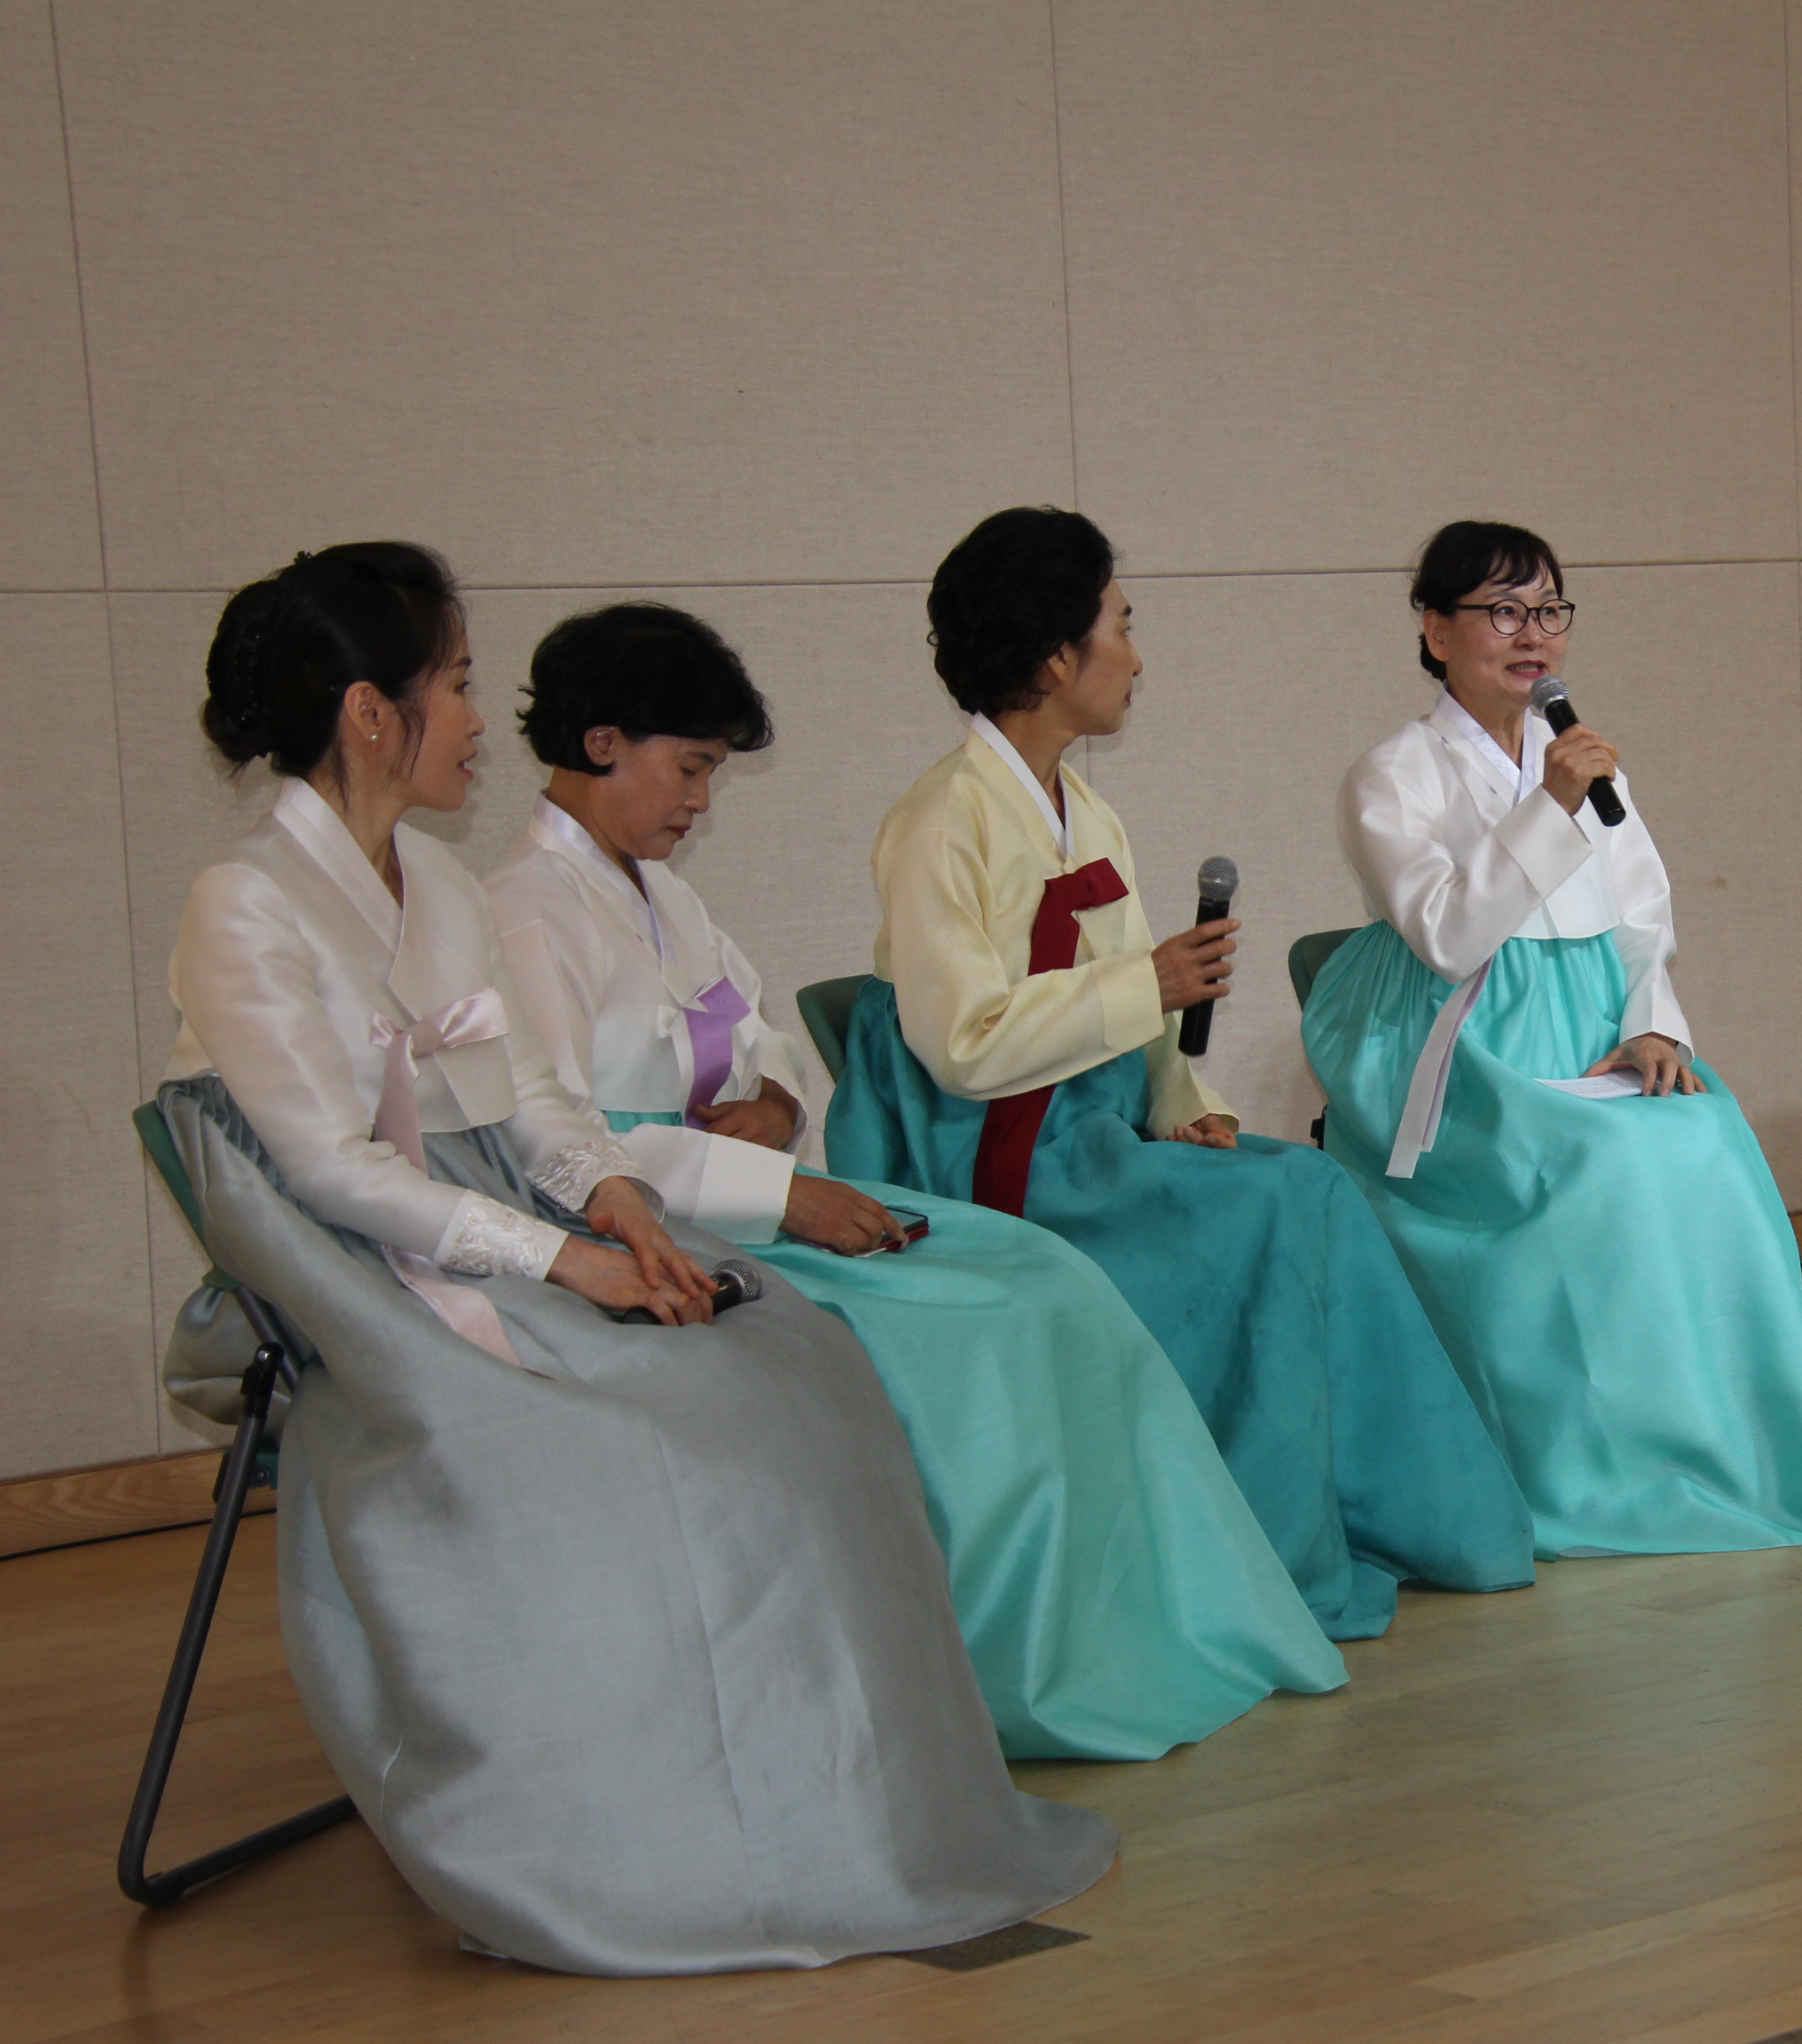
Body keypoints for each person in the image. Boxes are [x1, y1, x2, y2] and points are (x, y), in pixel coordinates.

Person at [158, 543, 1111, 1974]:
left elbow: (533, 1098)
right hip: (357, 1269)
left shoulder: (437, 881)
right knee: (652, 1427)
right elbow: (329, 1170)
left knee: (792, 1358)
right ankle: (634, 1832)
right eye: (456, 684)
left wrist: (617, 1200)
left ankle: (844, 1808)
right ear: (368, 712)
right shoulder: (244, 898)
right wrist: (561, 1259)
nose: (478, 720)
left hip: (487, 1217)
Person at [484, 600, 1346, 1760]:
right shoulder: (524, 912)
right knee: (977, 1324)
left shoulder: (660, 893)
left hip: (731, 1190)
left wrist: (778, 1101)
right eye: (689, 769)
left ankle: (1129, 1623)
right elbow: (561, 1148)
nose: (701, 802)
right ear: (602, 744)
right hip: (647, 1232)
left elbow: (763, 1035)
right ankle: (1010, 1664)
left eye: (712, 775)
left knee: (1042, 1271)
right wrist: (782, 1193)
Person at [825, 507, 1537, 1640]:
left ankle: (1388, 1520)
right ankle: (1267, 1549)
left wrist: (1184, 1104)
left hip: (1090, 1129)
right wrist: (1146, 985)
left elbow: (1142, 1019)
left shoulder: (1088, 811)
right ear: (1055, 657)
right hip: (994, 1151)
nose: (1137, 657)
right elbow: (961, 1045)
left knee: (1310, 1188)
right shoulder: (938, 821)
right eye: (1120, 626)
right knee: (1275, 1205)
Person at [1300, 520, 1802, 1555]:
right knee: (1603, 1166)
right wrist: (1549, 805)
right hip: (1462, 1042)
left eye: (1549, 609)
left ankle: (1722, 1447)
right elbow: (1450, 938)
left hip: (1591, 1020)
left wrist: (1650, 1026)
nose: (1533, 634)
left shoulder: (1591, 770)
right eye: (1503, 611)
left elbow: (1643, 917)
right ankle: (1595, 1464)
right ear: (1435, 629)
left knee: (1709, 1142)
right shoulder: (1391, 775)